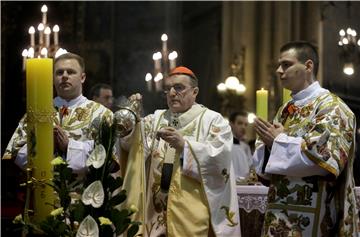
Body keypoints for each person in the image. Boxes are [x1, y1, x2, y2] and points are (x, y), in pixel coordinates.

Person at [118, 66, 240, 237]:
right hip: (155, 213)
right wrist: (130, 119)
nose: (172, 93)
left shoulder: (212, 121)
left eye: (179, 88)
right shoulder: (155, 119)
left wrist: (185, 146)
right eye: (168, 89)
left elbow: (220, 164)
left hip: (191, 215)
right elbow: (131, 149)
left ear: (195, 92)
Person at [253, 41, 359, 236]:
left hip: (318, 214)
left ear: (308, 66)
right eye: (279, 65)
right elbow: (266, 160)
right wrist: (268, 145)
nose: (278, 70)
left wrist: (278, 141)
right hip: (278, 210)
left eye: (286, 64)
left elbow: (326, 159)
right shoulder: (285, 110)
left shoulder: (333, 107)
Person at [2, 52, 113, 174]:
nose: (64, 76)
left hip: (84, 191)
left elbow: (107, 158)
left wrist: (69, 146)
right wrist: (45, 145)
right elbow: (16, 153)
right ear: (53, 78)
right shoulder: (36, 112)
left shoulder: (101, 114)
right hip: (43, 189)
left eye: (70, 72)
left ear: (82, 77)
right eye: (59, 72)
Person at [229, 111, 253, 182]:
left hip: (245, 186)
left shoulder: (245, 147)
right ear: (231, 124)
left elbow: (250, 168)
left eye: (246, 124)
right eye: (240, 123)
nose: (243, 127)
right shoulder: (224, 145)